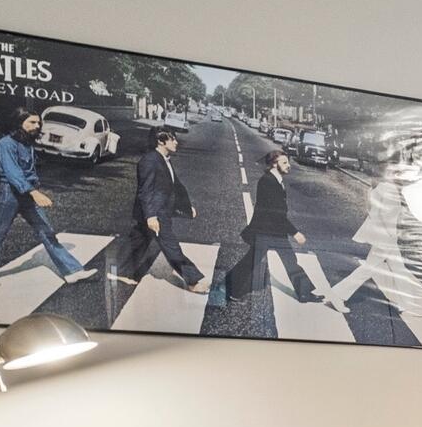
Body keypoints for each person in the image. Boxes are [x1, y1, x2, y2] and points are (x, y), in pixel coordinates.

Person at [0, 110, 90, 282]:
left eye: (38, 123)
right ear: (18, 123)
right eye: (32, 122)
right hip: (10, 194)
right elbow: (12, 172)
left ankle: (72, 271)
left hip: (27, 193)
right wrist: (34, 192)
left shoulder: (27, 143)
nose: (37, 126)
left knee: (47, 232)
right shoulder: (5, 144)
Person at [111, 125, 206, 295]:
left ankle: (123, 271)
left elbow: (174, 186)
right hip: (155, 213)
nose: (176, 142)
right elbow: (145, 191)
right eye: (173, 139)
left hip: (157, 211)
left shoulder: (163, 159)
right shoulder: (149, 161)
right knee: (171, 246)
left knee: (138, 241)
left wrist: (186, 207)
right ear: (161, 141)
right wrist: (151, 216)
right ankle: (193, 280)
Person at [223, 145, 323, 303]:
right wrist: (295, 232)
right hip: (266, 231)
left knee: (289, 261)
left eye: (288, 162)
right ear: (274, 164)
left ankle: (305, 293)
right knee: (251, 262)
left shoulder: (275, 180)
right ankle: (228, 288)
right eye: (284, 163)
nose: (288, 165)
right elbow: (275, 213)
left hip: (275, 231)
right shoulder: (268, 181)